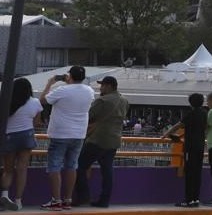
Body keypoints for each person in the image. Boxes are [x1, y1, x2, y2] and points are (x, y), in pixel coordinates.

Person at [39, 66, 95, 211]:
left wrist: (50, 83)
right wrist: (69, 82)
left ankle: (56, 201)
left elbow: (43, 100)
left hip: (60, 133)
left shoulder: (62, 90)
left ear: (69, 76)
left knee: (54, 166)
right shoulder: (89, 91)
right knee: (72, 166)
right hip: (78, 135)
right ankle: (67, 199)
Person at [73, 76, 129, 208]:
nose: (100, 88)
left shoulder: (102, 100)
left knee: (79, 166)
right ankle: (104, 200)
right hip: (114, 140)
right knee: (107, 171)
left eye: (102, 85)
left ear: (109, 86)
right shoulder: (124, 101)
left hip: (97, 139)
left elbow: (89, 116)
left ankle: (83, 197)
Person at [1, 78, 44, 211]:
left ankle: (4, 195)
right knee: (22, 169)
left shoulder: (6, 101)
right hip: (26, 137)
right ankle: (18, 201)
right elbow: (37, 123)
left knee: (8, 170)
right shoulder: (35, 102)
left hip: (9, 137)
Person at [161, 92, 207, 208]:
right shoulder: (204, 113)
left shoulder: (191, 114)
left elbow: (179, 125)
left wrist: (167, 133)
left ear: (190, 103)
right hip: (200, 146)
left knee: (189, 173)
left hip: (190, 147)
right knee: (197, 173)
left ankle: (188, 200)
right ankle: (195, 199)